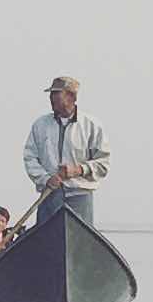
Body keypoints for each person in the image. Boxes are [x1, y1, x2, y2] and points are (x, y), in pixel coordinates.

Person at [22, 74, 112, 226]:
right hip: (49, 196)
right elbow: (30, 158)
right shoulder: (40, 125)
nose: (51, 98)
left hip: (80, 197)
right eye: (51, 93)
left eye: (56, 93)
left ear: (71, 96)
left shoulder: (91, 126)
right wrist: (45, 179)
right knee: (46, 236)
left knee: (79, 236)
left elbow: (103, 163)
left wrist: (79, 170)